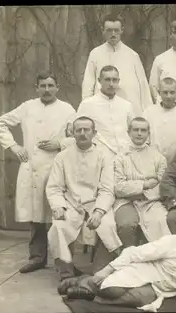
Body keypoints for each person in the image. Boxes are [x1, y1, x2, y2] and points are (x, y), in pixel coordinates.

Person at [59, 211, 176, 312]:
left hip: (158, 289)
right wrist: (107, 270)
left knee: (139, 300)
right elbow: (135, 253)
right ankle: (79, 281)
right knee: (112, 289)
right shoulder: (173, 242)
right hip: (144, 271)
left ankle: (89, 294)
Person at [0, 72, 75, 273]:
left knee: (58, 213)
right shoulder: (27, 107)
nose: (47, 90)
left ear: (57, 87)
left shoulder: (67, 110)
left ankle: (62, 261)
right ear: (37, 88)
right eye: (43, 86)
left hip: (57, 167)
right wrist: (14, 146)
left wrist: (59, 143)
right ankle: (37, 257)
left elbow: (79, 136)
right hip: (32, 167)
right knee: (36, 214)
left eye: (50, 85)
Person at [46, 116, 122, 282]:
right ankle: (66, 272)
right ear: (72, 133)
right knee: (58, 226)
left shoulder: (104, 156)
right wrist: (58, 206)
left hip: (96, 202)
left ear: (94, 133)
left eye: (86, 130)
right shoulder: (63, 157)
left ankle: (101, 271)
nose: (82, 133)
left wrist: (99, 211)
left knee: (108, 225)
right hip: (71, 203)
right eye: (78, 130)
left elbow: (107, 189)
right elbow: (54, 187)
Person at [113, 117, 171, 249]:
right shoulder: (120, 157)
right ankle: (128, 258)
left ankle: (152, 260)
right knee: (126, 224)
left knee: (162, 221)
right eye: (136, 130)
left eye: (143, 130)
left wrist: (137, 190)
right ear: (129, 132)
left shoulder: (158, 157)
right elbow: (118, 187)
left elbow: (162, 185)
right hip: (126, 202)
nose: (139, 133)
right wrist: (144, 185)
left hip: (151, 201)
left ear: (148, 133)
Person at [81, 14, 152, 115]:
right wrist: (87, 108)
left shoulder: (132, 55)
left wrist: (146, 112)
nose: (113, 34)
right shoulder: (95, 54)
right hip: (103, 107)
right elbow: (88, 83)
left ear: (122, 30)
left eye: (116, 30)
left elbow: (143, 84)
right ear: (103, 30)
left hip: (128, 106)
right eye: (109, 30)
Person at [76, 65, 135, 159]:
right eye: (107, 80)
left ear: (118, 81)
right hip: (99, 157)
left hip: (125, 156)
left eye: (114, 80)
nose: (111, 84)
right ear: (99, 81)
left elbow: (133, 131)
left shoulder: (126, 105)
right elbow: (78, 132)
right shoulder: (87, 104)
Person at [143, 77, 176, 163]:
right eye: (165, 92)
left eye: (172, 92)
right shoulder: (148, 113)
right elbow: (144, 139)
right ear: (159, 93)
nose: (168, 96)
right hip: (153, 162)